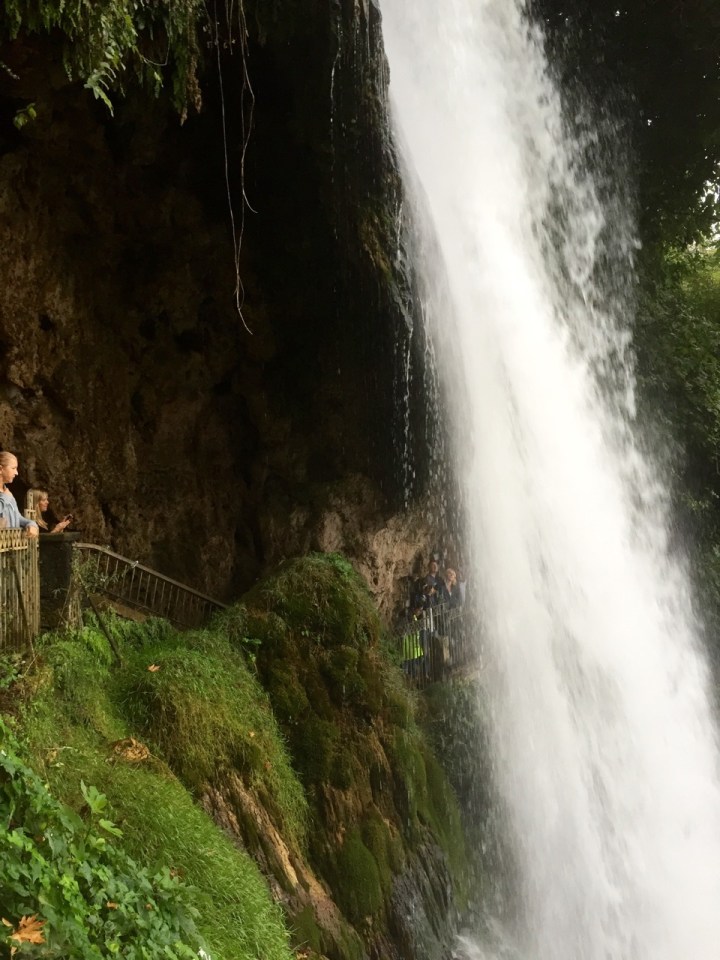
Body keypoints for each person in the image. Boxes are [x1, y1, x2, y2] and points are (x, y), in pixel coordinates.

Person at [0, 452, 38, 537]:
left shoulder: (8, 493)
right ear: (1, 469)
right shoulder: (7, 495)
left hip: (12, 545)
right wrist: (6, 497)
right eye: (13, 468)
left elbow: (18, 518)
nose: (16, 473)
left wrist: (31, 524)